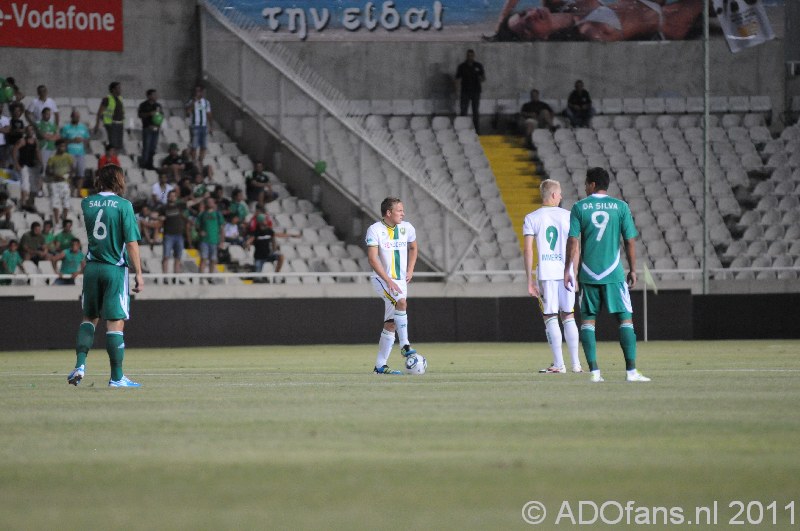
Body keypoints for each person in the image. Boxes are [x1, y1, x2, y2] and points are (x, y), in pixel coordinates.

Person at [564, 167, 650, 383]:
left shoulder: (579, 208)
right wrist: (633, 269)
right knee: (625, 320)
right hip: (614, 274)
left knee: (587, 323)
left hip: (588, 275)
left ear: (592, 184)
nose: (584, 187)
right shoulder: (621, 207)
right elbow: (630, 240)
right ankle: (631, 372)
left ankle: (594, 373)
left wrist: (568, 269)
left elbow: (573, 241)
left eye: (586, 183)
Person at [67, 164, 143, 388]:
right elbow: (131, 243)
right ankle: (117, 377)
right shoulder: (124, 206)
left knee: (89, 317)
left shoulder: (87, 203)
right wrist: (139, 273)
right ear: (119, 180)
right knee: (115, 322)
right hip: (114, 269)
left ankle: (80, 365)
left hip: (91, 268)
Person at [523, 179, 582, 374]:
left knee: (550, 316)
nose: (562, 197)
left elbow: (528, 250)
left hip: (547, 273)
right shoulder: (569, 216)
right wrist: (574, 273)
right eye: (560, 194)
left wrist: (529, 279)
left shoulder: (532, 218)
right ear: (554, 195)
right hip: (566, 273)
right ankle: (576, 365)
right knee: (569, 315)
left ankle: (559, 365)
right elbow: (576, 245)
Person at [365, 197, 419, 375]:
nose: (403, 213)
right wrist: (388, 280)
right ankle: (405, 345)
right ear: (389, 213)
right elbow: (372, 258)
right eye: (399, 210)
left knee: (390, 323)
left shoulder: (407, 228)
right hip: (382, 279)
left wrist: (410, 270)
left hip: (400, 281)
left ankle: (380, 366)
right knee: (401, 302)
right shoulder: (375, 230)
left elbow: (413, 247)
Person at [489, 0, 704, 42]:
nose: (531, 15)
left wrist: (501, 20)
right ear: (542, 37)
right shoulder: (587, 31)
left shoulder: (560, 5)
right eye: (528, 24)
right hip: (667, 21)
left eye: (525, 12)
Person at [245, 214, 288, 279]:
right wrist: (248, 244)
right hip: (259, 257)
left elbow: (273, 239)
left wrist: (274, 249)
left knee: (281, 256)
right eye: (264, 220)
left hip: (268, 255)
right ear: (260, 222)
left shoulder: (269, 230)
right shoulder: (256, 231)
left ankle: (276, 274)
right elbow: (250, 239)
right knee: (257, 277)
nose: (266, 221)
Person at [159, 190, 188, 282]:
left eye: (174, 196)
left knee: (178, 257)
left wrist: (203, 197)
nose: (172, 197)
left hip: (179, 235)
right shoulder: (164, 208)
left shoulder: (179, 206)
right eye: (171, 196)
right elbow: (158, 216)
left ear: (176, 197)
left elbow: (191, 202)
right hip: (168, 235)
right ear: (168, 197)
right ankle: (165, 277)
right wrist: (160, 218)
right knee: (166, 256)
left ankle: (176, 278)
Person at [454, 49, 485, 133]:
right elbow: (457, 79)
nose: (470, 57)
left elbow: (483, 78)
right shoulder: (462, 66)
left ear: (474, 56)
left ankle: (476, 131)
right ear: (466, 56)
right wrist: (456, 91)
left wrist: (479, 77)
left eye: (471, 55)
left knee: (475, 112)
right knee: (463, 111)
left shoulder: (478, 65)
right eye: (468, 55)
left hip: (476, 92)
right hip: (465, 92)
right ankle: (463, 131)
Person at [12, 124, 42, 207]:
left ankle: (29, 202)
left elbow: (37, 152)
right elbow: (14, 151)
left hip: (32, 166)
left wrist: (40, 163)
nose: (30, 132)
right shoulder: (22, 141)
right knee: (25, 184)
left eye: (31, 130)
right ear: (26, 131)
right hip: (23, 165)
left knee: (33, 185)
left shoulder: (35, 141)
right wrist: (16, 163)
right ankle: (23, 202)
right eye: (28, 130)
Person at [46, 139, 75, 223]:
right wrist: (56, 176)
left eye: (64, 146)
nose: (63, 148)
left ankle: (65, 221)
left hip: (65, 182)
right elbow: (47, 171)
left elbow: (73, 169)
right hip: (55, 182)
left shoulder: (68, 156)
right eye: (61, 146)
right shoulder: (52, 158)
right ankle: (57, 221)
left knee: (66, 202)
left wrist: (69, 176)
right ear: (57, 147)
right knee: (55, 202)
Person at [196, 197, 225, 282]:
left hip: (214, 240)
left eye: (211, 202)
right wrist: (200, 231)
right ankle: (201, 278)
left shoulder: (217, 214)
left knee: (213, 259)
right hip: (204, 240)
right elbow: (197, 225)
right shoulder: (202, 214)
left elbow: (222, 228)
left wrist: (222, 241)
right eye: (208, 202)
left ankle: (210, 277)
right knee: (203, 258)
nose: (210, 203)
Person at [60, 109, 90, 185]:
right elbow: (62, 141)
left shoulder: (83, 127)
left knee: (81, 174)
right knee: (70, 173)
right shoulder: (66, 128)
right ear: (71, 117)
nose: (77, 118)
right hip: (70, 153)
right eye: (75, 116)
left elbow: (87, 139)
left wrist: (83, 140)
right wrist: (73, 140)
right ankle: (69, 190)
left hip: (81, 154)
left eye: (78, 117)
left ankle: (78, 192)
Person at [185, 84, 212, 166]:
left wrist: (211, 125)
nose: (197, 93)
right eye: (196, 91)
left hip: (204, 126)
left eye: (199, 91)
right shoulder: (190, 101)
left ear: (202, 92)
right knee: (194, 145)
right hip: (195, 126)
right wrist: (194, 102)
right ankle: (194, 161)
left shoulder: (206, 102)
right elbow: (188, 113)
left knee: (204, 146)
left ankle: (200, 161)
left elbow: (209, 114)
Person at [94, 82, 125, 151]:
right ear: (113, 89)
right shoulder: (107, 99)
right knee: (112, 145)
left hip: (120, 124)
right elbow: (99, 113)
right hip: (111, 124)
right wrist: (97, 124)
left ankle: (115, 160)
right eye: (118, 88)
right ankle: (110, 160)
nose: (120, 90)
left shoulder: (120, 98)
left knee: (119, 146)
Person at [138, 89, 163, 170]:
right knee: (147, 147)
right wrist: (149, 113)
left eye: (156, 95)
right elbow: (140, 115)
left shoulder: (158, 105)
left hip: (156, 128)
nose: (156, 96)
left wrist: (158, 125)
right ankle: (144, 163)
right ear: (149, 96)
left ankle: (150, 163)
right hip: (147, 128)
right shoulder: (143, 105)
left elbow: (161, 116)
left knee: (153, 147)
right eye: (154, 95)